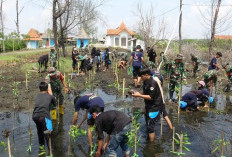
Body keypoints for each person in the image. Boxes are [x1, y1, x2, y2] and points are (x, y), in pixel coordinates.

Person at [132, 69, 172, 142]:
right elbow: (145, 93)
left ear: (147, 75)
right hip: (148, 106)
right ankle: (150, 139)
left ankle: (151, 145)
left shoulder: (152, 83)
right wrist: (139, 94)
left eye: (142, 76)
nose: (140, 78)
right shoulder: (145, 82)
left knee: (150, 127)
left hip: (154, 107)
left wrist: (139, 96)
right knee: (148, 124)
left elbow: (150, 97)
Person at [32, 82, 56, 147]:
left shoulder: (37, 96)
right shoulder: (50, 96)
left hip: (35, 116)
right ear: (47, 88)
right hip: (44, 116)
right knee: (48, 133)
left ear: (39, 89)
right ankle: (50, 149)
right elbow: (54, 104)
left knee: (40, 132)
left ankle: (41, 147)